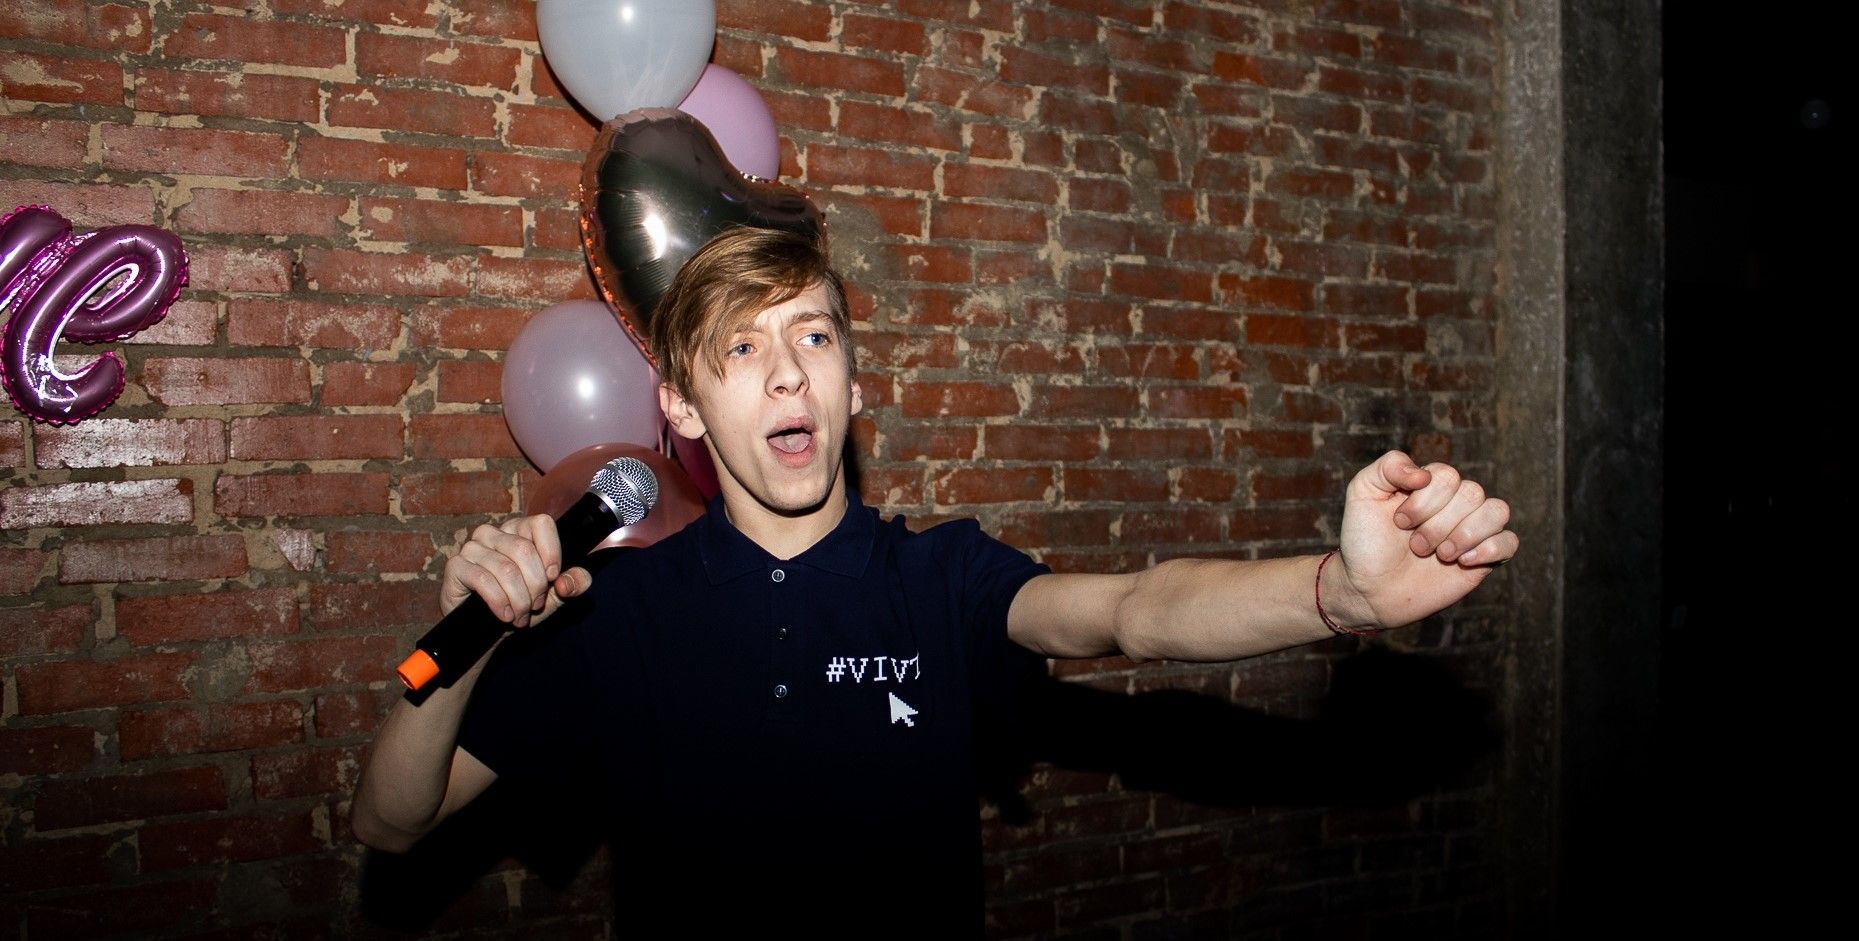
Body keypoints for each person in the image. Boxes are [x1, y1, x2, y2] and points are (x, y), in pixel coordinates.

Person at [352, 227, 1518, 934]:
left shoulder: (939, 575)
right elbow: (389, 821)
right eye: (741, 348)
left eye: (813, 337)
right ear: (682, 408)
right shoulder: (622, 613)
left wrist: (1336, 593)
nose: (786, 373)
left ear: (853, 386)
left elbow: (1131, 610)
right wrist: (465, 637)